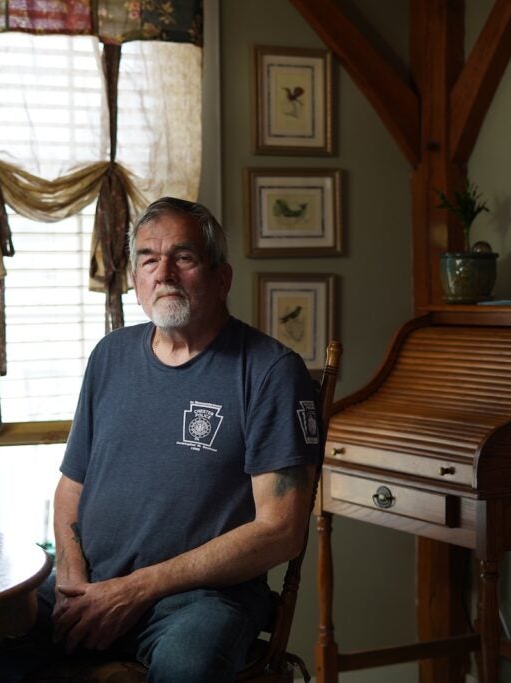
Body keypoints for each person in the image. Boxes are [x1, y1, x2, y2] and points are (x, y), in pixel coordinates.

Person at [33, 196, 321, 681]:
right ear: (134, 279)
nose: (162, 272)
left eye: (183, 257)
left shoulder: (270, 372)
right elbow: (70, 489)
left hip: (198, 601)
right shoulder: (110, 356)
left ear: (221, 277)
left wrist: (137, 590)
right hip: (88, 583)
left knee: (191, 664)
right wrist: (70, 575)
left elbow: (281, 531)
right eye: (148, 258)